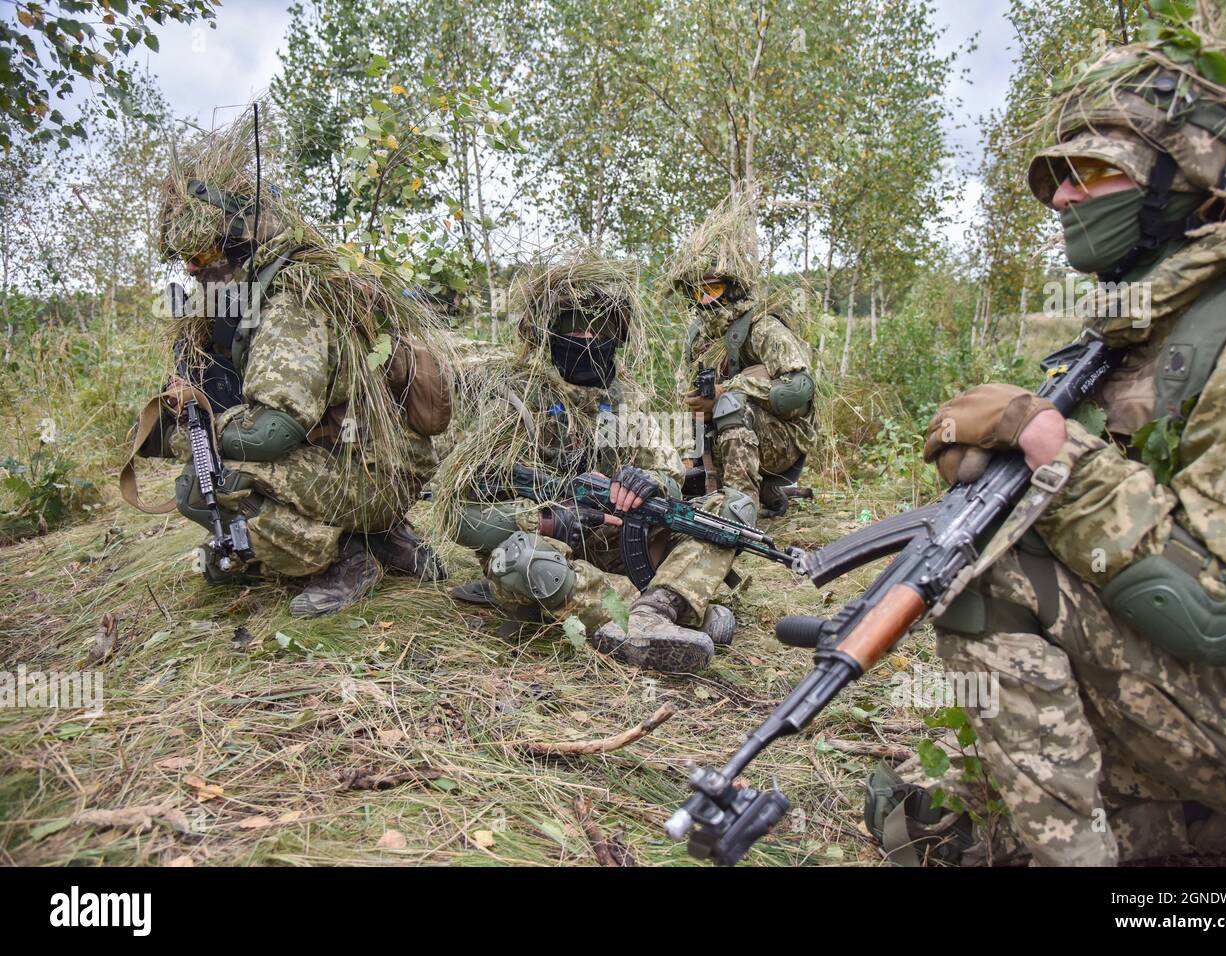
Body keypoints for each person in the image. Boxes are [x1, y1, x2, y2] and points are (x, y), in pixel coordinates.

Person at [874, 10, 1226, 866]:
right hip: (1224, 715)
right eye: (1052, 179)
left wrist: (1050, 449)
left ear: (1184, 178)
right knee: (948, 837)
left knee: (989, 583)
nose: (1062, 197)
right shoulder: (1148, 320)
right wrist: (1007, 472)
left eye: (1092, 170)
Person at [125, 108, 451, 616]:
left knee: (204, 482)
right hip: (362, 464)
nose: (192, 270)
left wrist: (192, 432)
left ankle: (345, 558)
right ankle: (382, 537)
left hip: (374, 474)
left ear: (240, 242)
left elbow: (272, 434)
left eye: (204, 254)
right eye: (186, 260)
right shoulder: (240, 301)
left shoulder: (290, 304)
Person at [439, 248, 750, 673]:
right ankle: (673, 610)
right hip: (555, 555)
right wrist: (547, 520)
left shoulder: (626, 404)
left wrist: (650, 483)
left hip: (624, 544)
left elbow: (668, 475)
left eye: (599, 329)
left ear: (617, 338)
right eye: (572, 328)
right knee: (521, 560)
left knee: (728, 512)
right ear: (548, 334)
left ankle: (654, 612)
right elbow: (460, 512)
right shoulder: (516, 402)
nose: (586, 340)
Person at [666, 193, 817, 517]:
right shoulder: (699, 337)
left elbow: (800, 390)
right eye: (698, 291)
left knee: (729, 405)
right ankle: (702, 491)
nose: (705, 299)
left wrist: (732, 389)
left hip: (781, 441)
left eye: (714, 289)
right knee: (681, 420)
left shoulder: (761, 329)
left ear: (733, 287)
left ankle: (739, 516)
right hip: (725, 442)